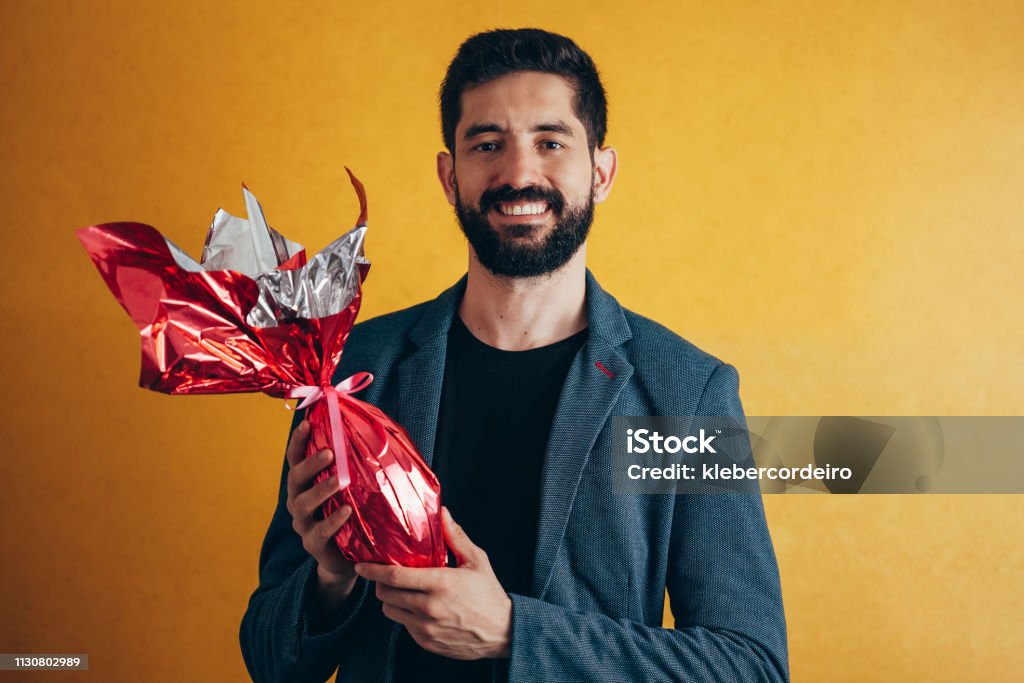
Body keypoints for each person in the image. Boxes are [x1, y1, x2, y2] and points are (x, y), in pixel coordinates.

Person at [240, 28, 789, 683]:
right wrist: (329, 575)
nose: (519, 173)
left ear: (602, 171)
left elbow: (749, 664)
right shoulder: (349, 370)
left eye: (550, 142)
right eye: (487, 144)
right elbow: (270, 658)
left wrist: (512, 632)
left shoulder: (686, 395)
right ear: (450, 176)